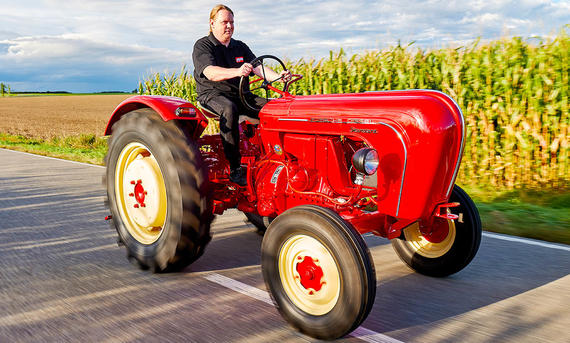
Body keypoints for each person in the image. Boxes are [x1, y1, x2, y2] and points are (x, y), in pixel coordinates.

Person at [192, 4, 291, 186]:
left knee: (275, 108)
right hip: (212, 95)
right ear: (212, 23)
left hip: (241, 94)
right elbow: (210, 72)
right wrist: (237, 71)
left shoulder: (240, 47)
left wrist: (279, 77)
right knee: (229, 109)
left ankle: (275, 157)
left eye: (232, 22)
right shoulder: (203, 46)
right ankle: (235, 167)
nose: (229, 26)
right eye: (224, 22)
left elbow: (258, 67)